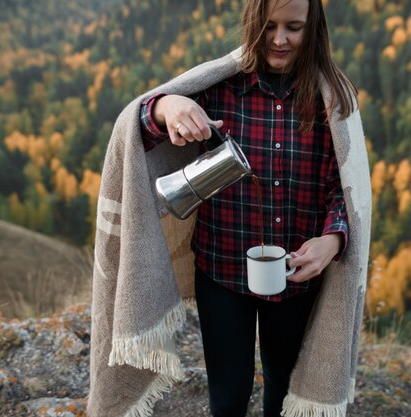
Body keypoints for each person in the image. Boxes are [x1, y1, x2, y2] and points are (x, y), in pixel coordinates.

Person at [138, 0, 360, 416]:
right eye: (270, 26)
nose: (279, 40)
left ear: (314, 28)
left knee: (287, 391)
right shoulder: (216, 87)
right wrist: (166, 107)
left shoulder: (333, 99)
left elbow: (344, 189)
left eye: (293, 27)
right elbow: (135, 134)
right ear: (253, 24)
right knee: (227, 398)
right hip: (221, 272)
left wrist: (332, 239)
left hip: (297, 275)